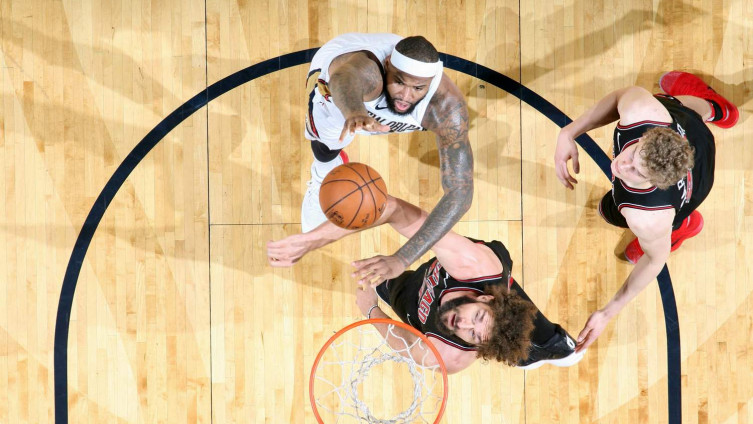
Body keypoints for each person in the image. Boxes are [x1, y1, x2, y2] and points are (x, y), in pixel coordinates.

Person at [268, 195, 585, 374]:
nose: (463, 324)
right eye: (477, 317)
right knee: (507, 288)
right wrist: (311, 241)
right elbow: (391, 207)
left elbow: (404, 341)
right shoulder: (472, 264)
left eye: (474, 335)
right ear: (486, 300)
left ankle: (532, 350)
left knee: (392, 291)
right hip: (479, 270)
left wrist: (371, 311)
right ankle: (552, 340)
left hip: (410, 299)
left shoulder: (449, 357)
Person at [553, 71, 739, 352]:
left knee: (610, 212)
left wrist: (608, 312)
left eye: (637, 172)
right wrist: (569, 132)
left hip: (696, 185)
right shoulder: (643, 110)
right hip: (695, 133)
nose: (622, 164)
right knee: (679, 107)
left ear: (656, 182)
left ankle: (682, 226)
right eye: (633, 154)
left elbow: (655, 260)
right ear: (649, 135)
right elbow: (619, 97)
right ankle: (718, 109)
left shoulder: (648, 216)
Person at [302, 33, 473, 287]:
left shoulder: (446, 108)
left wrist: (403, 258)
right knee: (325, 147)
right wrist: (354, 112)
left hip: (372, 111)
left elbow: (460, 194)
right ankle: (322, 174)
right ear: (388, 64)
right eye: (399, 82)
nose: (405, 96)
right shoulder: (372, 72)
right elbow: (343, 78)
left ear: (430, 82)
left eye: (418, 88)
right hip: (340, 93)